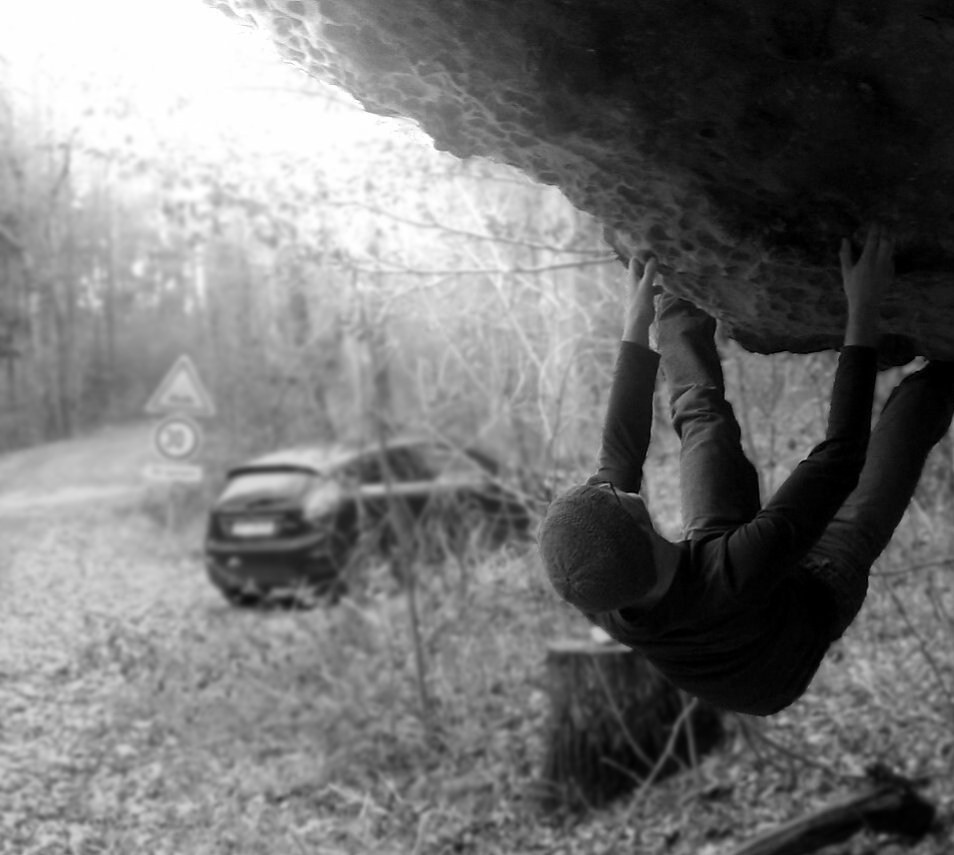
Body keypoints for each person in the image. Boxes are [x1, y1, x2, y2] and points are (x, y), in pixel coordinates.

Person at [539, 226, 954, 716]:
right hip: (801, 619)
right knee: (888, 457)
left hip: (709, 582)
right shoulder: (737, 567)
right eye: (612, 495)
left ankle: (677, 297)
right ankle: (946, 372)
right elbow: (839, 457)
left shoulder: (599, 581)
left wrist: (638, 319)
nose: (611, 485)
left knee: (701, 422)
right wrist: (861, 308)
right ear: (639, 525)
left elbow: (619, 455)